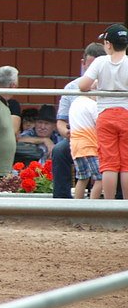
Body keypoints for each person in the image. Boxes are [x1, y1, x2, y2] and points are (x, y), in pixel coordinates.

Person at [79, 24, 128, 200]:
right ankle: (126, 206)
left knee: (109, 163)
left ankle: (109, 204)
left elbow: (82, 86)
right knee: (126, 164)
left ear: (108, 44)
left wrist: (97, 84)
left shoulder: (100, 62)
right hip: (126, 115)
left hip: (106, 115)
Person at [51, 42, 107, 198]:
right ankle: (62, 201)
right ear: (83, 64)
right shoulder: (71, 88)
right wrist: (67, 133)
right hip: (81, 138)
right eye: (90, 68)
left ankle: (116, 199)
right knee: (59, 150)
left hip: (106, 139)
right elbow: (61, 121)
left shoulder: (114, 85)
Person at [68, 92, 103, 200]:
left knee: (83, 178)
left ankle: (77, 207)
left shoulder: (75, 103)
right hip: (89, 146)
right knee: (100, 178)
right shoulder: (92, 105)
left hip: (75, 146)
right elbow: (100, 124)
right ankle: (92, 207)